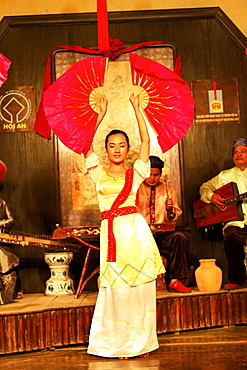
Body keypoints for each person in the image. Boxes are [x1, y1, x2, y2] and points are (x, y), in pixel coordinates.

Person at [85, 94, 165, 359]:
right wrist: (102, 112)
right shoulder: (97, 172)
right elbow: (87, 143)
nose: (117, 149)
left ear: (127, 148)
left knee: (140, 290)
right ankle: (117, 345)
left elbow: (146, 141)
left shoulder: (137, 171)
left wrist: (136, 108)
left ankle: (140, 344)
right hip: (112, 236)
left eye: (121, 145)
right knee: (116, 291)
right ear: (105, 149)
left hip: (135, 234)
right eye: (112, 145)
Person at [137, 155, 191, 294]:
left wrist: (170, 209)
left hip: (162, 235)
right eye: (149, 174)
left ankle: (176, 280)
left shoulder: (168, 189)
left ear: (160, 174)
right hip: (141, 236)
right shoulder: (136, 188)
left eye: (156, 175)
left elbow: (172, 219)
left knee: (180, 237)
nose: (152, 178)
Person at [200, 138, 247, 290]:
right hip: (236, 222)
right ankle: (238, 279)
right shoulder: (224, 176)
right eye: (235, 152)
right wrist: (212, 197)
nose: (239, 155)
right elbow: (204, 187)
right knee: (231, 235)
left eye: (243, 151)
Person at [0, 197, 20, 304]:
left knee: (6, 259)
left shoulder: (2, 202)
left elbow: (11, 219)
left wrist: (1, 223)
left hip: (2, 240)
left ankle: (6, 297)